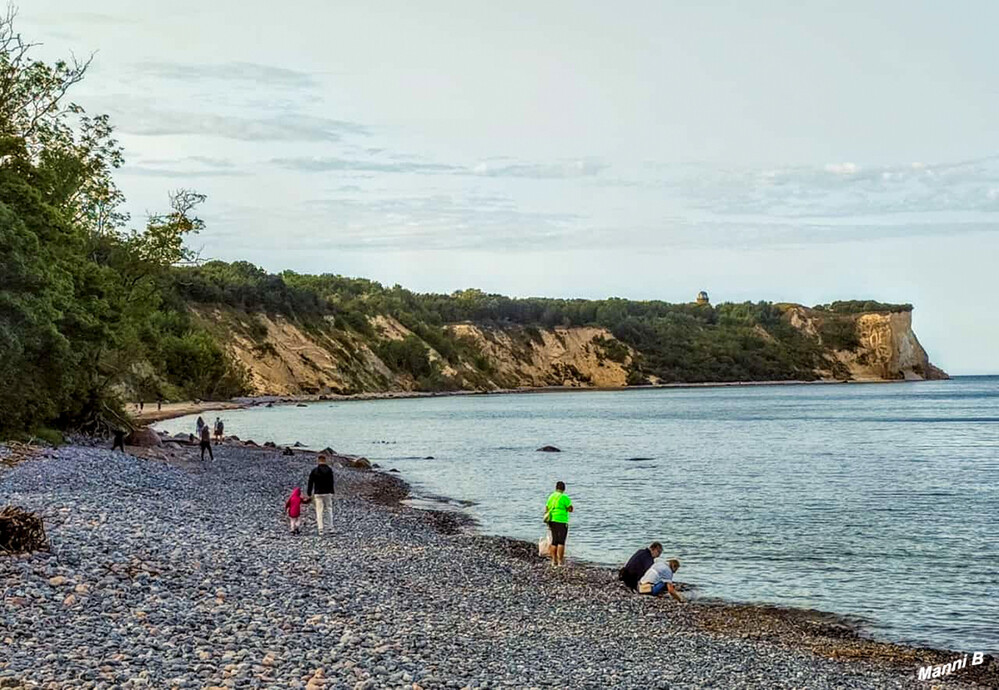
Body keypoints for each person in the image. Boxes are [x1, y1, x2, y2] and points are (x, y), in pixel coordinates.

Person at [544, 480, 573, 566]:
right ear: (564, 488)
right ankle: (560, 561)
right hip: (562, 520)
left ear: (556, 488)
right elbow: (570, 509)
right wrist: (566, 509)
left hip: (552, 520)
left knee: (554, 541)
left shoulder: (551, 496)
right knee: (561, 541)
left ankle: (553, 561)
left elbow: (546, 508)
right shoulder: (564, 497)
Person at [307, 454, 336, 535]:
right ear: (325, 460)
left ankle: (320, 529)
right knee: (329, 509)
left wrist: (309, 493)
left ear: (318, 460)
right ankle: (330, 527)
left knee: (319, 510)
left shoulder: (314, 471)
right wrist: (332, 491)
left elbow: (310, 482)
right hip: (327, 492)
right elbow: (331, 481)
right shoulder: (329, 470)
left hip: (318, 492)